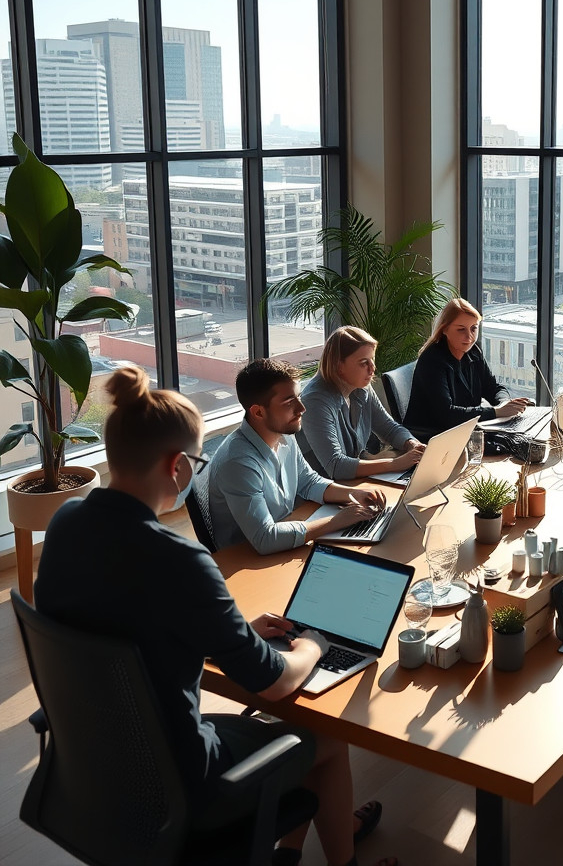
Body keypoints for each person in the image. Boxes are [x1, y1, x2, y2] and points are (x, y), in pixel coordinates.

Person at [33, 366, 393, 866]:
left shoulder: (65, 526)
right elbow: (272, 684)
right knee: (327, 736)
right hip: (182, 780)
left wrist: (236, 632)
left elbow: (130, 625)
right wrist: (313, 643)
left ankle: (289, 847)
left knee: (287, 733)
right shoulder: (181, 562)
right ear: (179, 466)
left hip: (93, 762)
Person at [209, 359, 386, 555]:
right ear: (258, 412)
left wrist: (353, 495)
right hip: (247, 561)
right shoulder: (238, 463)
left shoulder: (283, 433)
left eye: (298, 397)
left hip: (286, 540)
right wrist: (337, 521)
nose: (302, 408)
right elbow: (265, 538)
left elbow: (308, 481)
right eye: (288, 402)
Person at [299, 326, 425, 481]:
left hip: (356, 481)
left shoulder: (360, 386)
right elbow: (336, 466)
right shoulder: (315, 400)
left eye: (372, 359)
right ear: (339, 366)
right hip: (325, 492)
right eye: (363, 362)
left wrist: (411, 444)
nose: (372, 368)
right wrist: (395, 464)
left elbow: (389, 428)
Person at [404, 297, 530, 438]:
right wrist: (496, 412)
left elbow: (493, 387)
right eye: (461, 330)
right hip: (433, 437)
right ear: (444, 329)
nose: (469, 336)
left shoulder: (474, 352)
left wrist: (505, 403)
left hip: (464, 430)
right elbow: (447, 415)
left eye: (473, 328)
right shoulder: (432, 361)